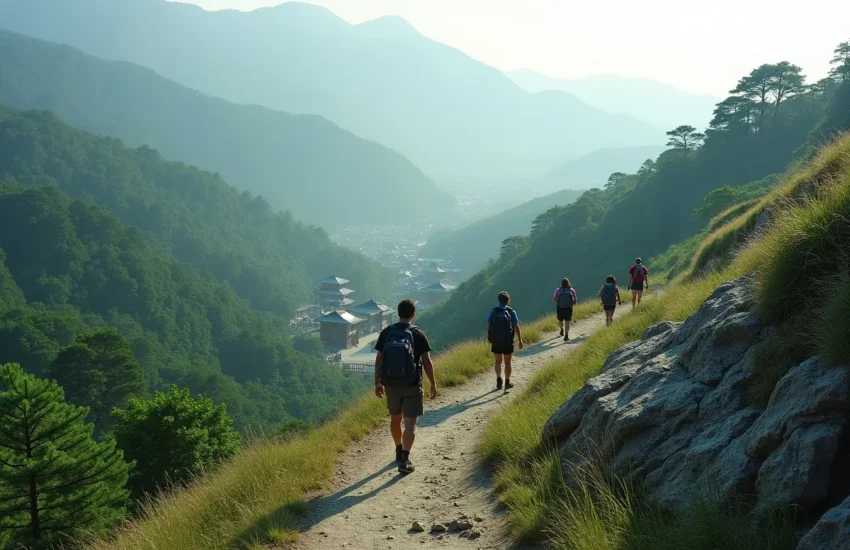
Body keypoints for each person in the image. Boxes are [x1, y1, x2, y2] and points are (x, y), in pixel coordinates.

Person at [374, 299, 437, 475]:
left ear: (398, 313)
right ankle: (405, 459)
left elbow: (379, 359)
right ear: (413, 314)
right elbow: (427, 362)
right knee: (410, 423)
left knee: (395, 419)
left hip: (391, 384)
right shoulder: (418, 334)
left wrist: (377, 382)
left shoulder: (387, 332)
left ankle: (398, 449)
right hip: (412, 385)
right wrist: (433, 384)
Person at [486, 291, 524, 391]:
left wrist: (491, 336)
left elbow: (488, 327)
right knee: (507, 363)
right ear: (508, 300)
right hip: (508, 341)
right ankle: (507, 382)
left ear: (498, 300)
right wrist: (520, 340)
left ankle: (499, 379)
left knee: (498, 362)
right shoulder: (511, 312)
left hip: (496, 341)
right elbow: (516, 327)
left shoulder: (493, 311)